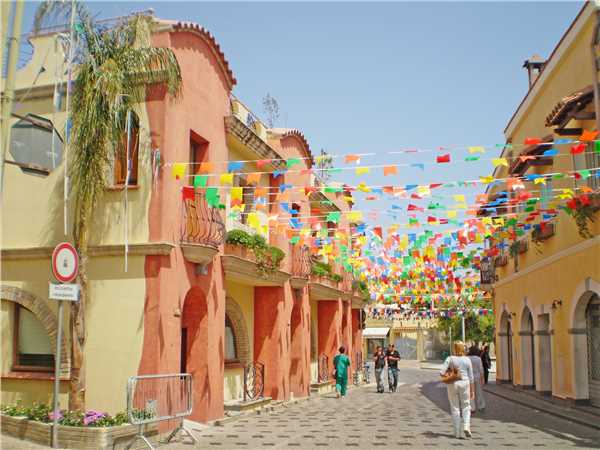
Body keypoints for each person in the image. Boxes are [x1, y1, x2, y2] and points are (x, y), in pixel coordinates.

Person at [440, 341, 474, 439]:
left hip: (452, 383)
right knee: (466, 406)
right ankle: (466, 426)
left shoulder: (450, 359)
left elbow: (442, 372)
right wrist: (472, 391)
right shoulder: (467, 360)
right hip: (465, 383)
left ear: (454, 349)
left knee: (455, 408)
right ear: (463, 348)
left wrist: (449, 372)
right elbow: (471, 377)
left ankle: (457, 433)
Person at [468, 346, 486, 413]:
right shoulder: (478, 359)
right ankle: (481, 406)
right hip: (477, 377)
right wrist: (482, 378)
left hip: (469, 378)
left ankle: (472, 408)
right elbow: (481, 369)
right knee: (479, 392)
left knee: (471, 393)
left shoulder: (467, 358)